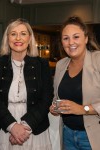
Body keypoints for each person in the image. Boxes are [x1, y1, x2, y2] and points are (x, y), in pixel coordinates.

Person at [0, 18, 53, 150]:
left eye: (23, 33)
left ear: (29, 38)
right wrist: (12, 126)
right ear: (7, 38)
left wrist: (25, 127)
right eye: (13, 33)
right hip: (2, 126)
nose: (18, 38)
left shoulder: (42, 65)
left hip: (33, 127)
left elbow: (46, 98)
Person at [49, 16, 100, 150]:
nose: (71, 42)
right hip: (67, 134)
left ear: (86, 38)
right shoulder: (61, 64)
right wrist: (54, 107)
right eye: (66, 38)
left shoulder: (98, 60)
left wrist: (83, 109)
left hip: (93, 136)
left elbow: (80, 107)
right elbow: (57, 97)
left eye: (76, 37)